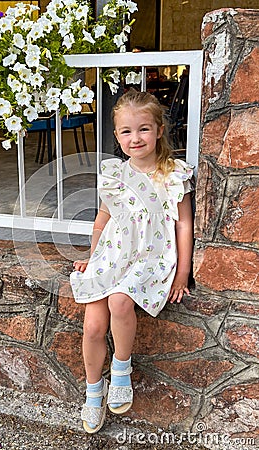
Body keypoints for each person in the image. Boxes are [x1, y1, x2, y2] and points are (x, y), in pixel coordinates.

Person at [70, 89, 194, 434]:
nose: (135, 138)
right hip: (112, 254)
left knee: (120, 300)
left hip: (149, 257)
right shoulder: (113, 174)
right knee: (93, 326)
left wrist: (182, 273)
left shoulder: (173, 174)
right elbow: (102, 219)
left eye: (143, 129)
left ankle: (121, 368)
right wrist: (91, 258)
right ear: (116, 136)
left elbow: (184, 224)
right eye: (126, 131)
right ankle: (94, 391)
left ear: (158, 130)